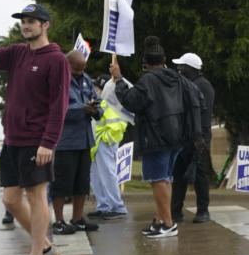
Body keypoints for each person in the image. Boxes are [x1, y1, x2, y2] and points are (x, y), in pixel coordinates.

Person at [0, 0, 70, 255]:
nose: (25, 25)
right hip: (13, 139)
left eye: (31, 21)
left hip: (37, 141)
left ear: (45, 25)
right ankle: (45, 248)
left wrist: (49, 141)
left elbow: (59, 105)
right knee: (11, 200)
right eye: (23, 21)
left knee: (37, 196)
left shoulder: (56, 60)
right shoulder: (17, 54)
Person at [109, 36, 201, 239]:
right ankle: (160, 220)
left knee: (158, 181)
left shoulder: (147, 81)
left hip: (155, 138)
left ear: (145, 63)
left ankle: (168, 224)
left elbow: (131, 101)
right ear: (164, 59)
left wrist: (118, 79)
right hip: (176, 136)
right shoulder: (177, 79)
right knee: (165, 179)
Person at [50, 50, 102, 234]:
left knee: (82, 182)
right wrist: (82, 109)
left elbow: (98, 101)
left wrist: (96, 110)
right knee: (62, 183)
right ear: (67, 64)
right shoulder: (58, 80)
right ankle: (58, 221)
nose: (80, 72)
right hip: (66, 140)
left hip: (85, 139)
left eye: (83, 68)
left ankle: (78, 218)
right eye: (77, 69)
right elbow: (57, 107)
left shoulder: (86, 79)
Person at [170, 52, 215, 224]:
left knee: (200, 175)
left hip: (197, 139)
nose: (179, 69)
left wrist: (201, 139)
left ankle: (203, 211)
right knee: (179, 174)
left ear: (191, 68)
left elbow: (203, 115)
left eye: (182, 66)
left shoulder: (202, 86)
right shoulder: (189, 85)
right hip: (184, 138)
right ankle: (176, 211)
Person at [86, 74, 129, 220]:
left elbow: (117, 125)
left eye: (97, 86)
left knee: (108, 174)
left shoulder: (112, 102)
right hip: (96, 144)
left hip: (104, 143)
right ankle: (103, 206)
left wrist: (106, 139)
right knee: (96, 176)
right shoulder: (102, 101)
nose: (95, 89)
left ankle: (117, 207)